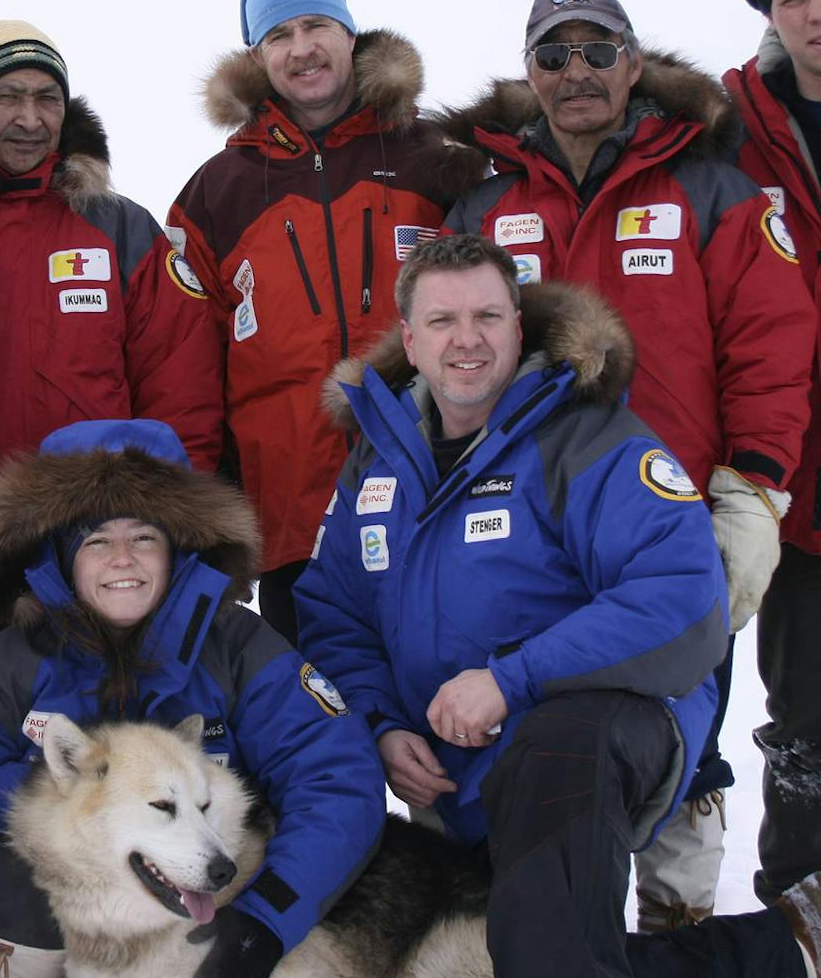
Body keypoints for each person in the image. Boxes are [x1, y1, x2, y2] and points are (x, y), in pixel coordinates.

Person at [295, 233, 821, 978]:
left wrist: (511, 680)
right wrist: (380, 723)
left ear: (519, 325)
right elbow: (334, 613)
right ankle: (782, 950)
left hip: (606, 730)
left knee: (554, 758)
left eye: (488, 316)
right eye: (442, 322)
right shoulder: (377, 460)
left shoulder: (587, 437)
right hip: (459, 763)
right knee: (528, 952)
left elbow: (680, 597)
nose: (467, 340)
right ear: (410, 341)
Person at [438, 0, 817, 930]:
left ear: (634, 64)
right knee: (542, 732)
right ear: (529, 73)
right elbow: (436, 354)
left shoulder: (712, 188)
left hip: (671, 525)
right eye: (554, 55)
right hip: (519, 533)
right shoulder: (481, 207)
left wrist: (756, 492)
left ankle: (678, 925)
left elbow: (773, 346)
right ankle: (534, 937)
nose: (578, 73)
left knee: (678, 730)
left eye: (598, 51)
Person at [0, 418, 386, 978]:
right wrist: (65, 785)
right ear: (60, 559)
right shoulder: (5, 665)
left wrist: (263, 922)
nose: (123, 558)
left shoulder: (239, 648)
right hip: (52, 914)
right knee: (8, 887)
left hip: (204, 907)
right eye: (96, 541)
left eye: (143, 537)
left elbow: (336, 782)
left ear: (179, 551)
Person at [0, 20, 223, 688]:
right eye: (7, 97)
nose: (29, 118)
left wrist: (159, 536)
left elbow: (181, 398)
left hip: (87, 572)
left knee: (83, 775)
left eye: (47, 98)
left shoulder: (120, 230)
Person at [168, 0, 468, 644]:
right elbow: (187, 362)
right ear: (258, 55)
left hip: (436, 494)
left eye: (316, 25)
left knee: (447, 713)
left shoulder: (435, 155)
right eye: (279, 35)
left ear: (349, 33)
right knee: (319, 729)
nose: (301, 49)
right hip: (293, 520)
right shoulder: (217, 192)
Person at [726, 0, 821, 907]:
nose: (812, 12)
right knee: (803, 724)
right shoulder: (732, 130)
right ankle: (798, 918)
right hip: (798, 475)